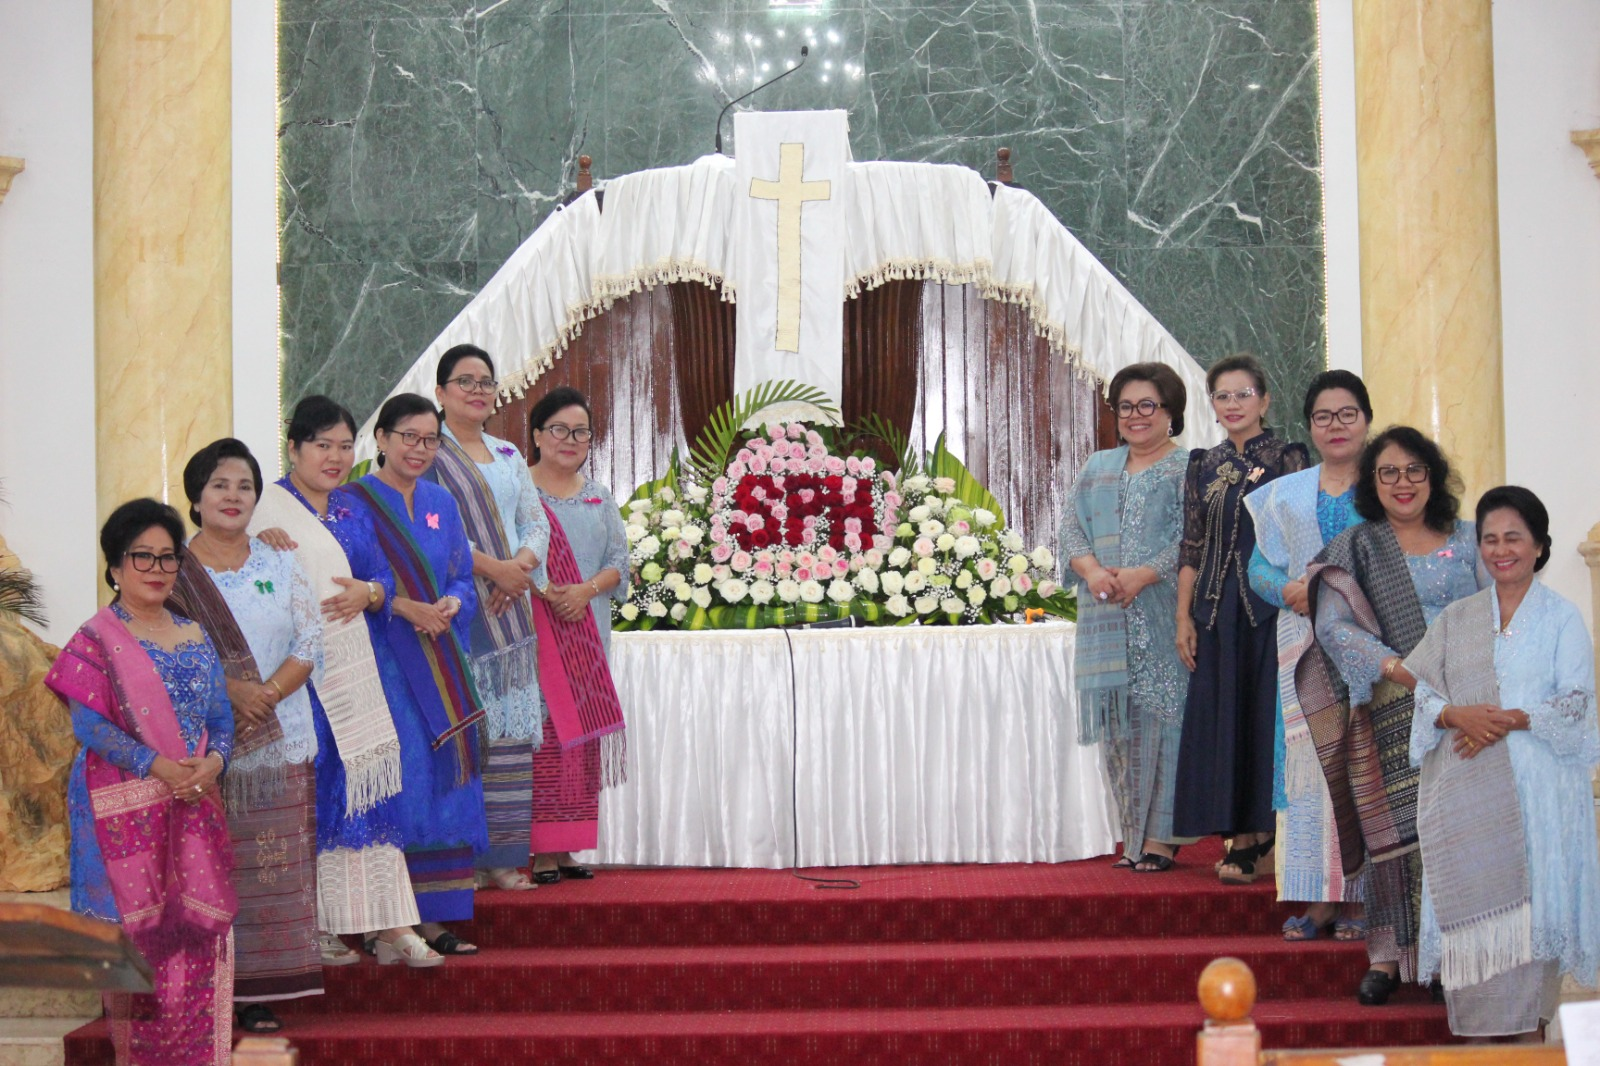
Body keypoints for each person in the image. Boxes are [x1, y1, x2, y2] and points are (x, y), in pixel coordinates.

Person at [1298, 425, 1488, 1005]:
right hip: (1390, 705)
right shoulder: (1357, 547)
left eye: (1414, 470)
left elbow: (1498, 610)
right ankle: (1385, 957)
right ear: (1372, 483)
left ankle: (1447, 956)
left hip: (1462, 707)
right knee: (1390, 835)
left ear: (1433, 476)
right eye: (1388, 472)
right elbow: (1333, 628)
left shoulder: (1470, 539)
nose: (1403, 483)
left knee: (1454, 832)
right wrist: (1400, 669)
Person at [45, 499, 236, 1064]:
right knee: (141, 941)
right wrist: (161, 767)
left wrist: (215, 763)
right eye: (142, 556)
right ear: (115, 566)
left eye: (167, 557)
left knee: (199, 935)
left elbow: (221, 718)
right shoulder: (95, 638)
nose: (156, 568)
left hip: (194, 802)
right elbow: (90, 727)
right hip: (122, 810)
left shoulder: (195, 634)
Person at [1405, 486, 1599, 1040]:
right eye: (1489, 539)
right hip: (1469, 802)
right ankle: (1477, 1039)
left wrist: (1506, 720)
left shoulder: (1561, 618)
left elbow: (1576, 703)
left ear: (1538, 545)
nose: (1500, 549)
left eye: (1513, 537)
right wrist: (1456, 716)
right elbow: (1424, 694)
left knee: (1531, 929)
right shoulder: (1457, 619)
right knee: (1477, 939)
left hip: (1541, 801)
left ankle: (1528, 1040)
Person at [251, 396, 436, 967]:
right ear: (294, 449)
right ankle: (318, 923)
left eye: (343, 446)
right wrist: (258, 548)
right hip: (298, 685)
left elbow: (382, 580)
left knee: (368, 794)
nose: (334, 457)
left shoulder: (353, 510)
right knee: (316, 797)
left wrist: (371, 593)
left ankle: (387, 923)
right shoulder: (267, 513)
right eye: (321, 445)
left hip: (357, 675)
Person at [168, 440, 321, 1031]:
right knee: (204, 870)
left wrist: (268, 694)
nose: (233, 497)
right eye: (219, 485)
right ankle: (202, 989)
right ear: (196, 498)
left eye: (245, 486)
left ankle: (258, 991)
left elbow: (309, 640)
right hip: (198, 750)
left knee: (271, 871)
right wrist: (232, 691)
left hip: (279, 738)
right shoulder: (173, 571)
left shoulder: (279, 561)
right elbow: (160, 649)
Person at [341, 393, 489, 949]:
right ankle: (386, 917)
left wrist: (452, 603)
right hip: (382, 664)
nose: (420, 449)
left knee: (443, 781)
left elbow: (460, 575)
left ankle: (435, 917)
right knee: (399, 783)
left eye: (431, 440)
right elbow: (345, 583)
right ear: (381, 438)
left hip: (440, 662)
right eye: (409, 436)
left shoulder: (441, 502)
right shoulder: (352, 502)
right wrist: (403, 607)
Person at [1172, 354, 1309, 884]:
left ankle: (1264, 831)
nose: (1233, 404)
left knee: (1263, 716)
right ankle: (1239, 834)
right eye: (1222, 396)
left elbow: (1297, 535)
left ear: (1264, 400)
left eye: (1243, 394)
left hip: (1268, 605)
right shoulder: (1202, 463)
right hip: (1213, 607)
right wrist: (1183, 617)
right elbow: (1192, 544)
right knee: (1222, 717)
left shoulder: (1288, 457)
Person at [1245, 371, 1371, 939]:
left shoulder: (1386, 487)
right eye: (1323, 416)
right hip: (1301, 644)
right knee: (1310, 767)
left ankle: (1365, 898)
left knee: (1365, 763)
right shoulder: (1286, 494)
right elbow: (1258, 567)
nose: (1335, 425)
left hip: (1369, 644)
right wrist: (1288, 590)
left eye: (1347, 414)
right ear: (1310, 426)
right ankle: (1319, 898)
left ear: (1366, 419)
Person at [1062, 363, 1191, 873]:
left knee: (1165, 719)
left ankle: (1161, 838)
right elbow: (1071, 529)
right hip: (1105, 615)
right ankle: (1131, 837)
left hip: (1164, 614)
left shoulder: (1188, 469)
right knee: (1120, 728)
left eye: (1147, 405)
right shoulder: (1099, 466)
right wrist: (1093, 570)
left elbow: (1193, 538)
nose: (1136, 416)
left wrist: (1143, 574)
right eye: (1126, 407)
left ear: (1170, 411)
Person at [429, 345, 549, 892]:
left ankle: (502, 857)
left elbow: (535, 523)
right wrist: (496, 570)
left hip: (512, 610)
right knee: (465, 734)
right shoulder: (429, 452)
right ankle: (462, 859)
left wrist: (517, 569)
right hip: (456, 609)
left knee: (509, 739)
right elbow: (433, 531)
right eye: (465, 381)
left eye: (486, 381)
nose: (478, 391)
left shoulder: (506, 452)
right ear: (440, 392)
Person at [526, 386, 628, 883]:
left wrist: (584, 591)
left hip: (588, 632)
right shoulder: (520, 494)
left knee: (580, 738)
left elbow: (619, 563)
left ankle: (568, 848)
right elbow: (508, 557)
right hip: (539, 633)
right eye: (559, 430)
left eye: (581, 432)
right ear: (536, 436)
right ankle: (541, 850)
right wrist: (550, 593)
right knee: (546, 738)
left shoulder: (598, 496)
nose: (570, 440)